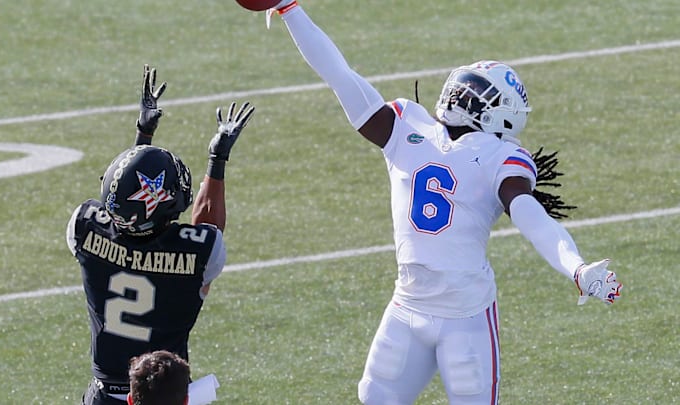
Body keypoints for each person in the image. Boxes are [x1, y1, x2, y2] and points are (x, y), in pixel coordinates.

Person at [259, 2, 624, 404]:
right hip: (412, 303)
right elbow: (532, 217)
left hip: (461, 314)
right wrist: (576, 267)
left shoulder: (417, 131)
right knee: (373, 398)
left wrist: (289, 9)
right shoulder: (432, 133)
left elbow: (338, 73)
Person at [66, 64, 255, 405]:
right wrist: (217, 158)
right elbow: (207, 230)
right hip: (165, 396)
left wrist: (143, 136)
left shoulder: (84, 230)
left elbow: (121, 209)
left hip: (104, 396)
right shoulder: (197, 254)